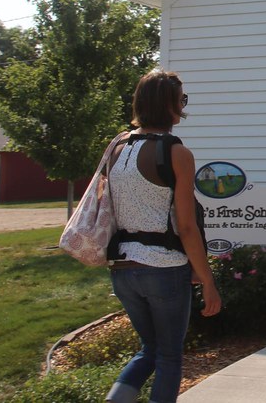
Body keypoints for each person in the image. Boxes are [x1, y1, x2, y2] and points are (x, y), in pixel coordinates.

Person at [104, 69, 222, 403]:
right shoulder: (176, 153)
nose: (183, 106)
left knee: (150, 349)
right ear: (167, 104)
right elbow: (186, 227)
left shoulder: (116, 148)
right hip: (164, 268)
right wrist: (207, 279)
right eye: (181, 99)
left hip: (122, 267)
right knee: (170, 355)